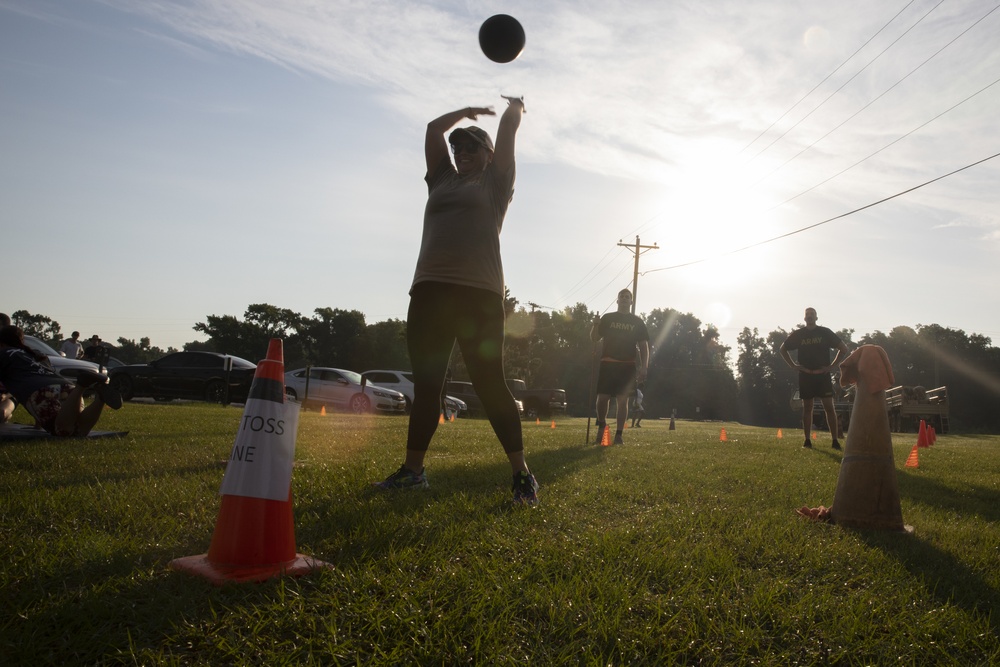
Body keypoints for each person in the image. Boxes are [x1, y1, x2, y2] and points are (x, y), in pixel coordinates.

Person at [375, 95, 538, 504]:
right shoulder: (442, 179)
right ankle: (413, 472)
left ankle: (522, 476)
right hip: (429, 288)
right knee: (428, 384)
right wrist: (464, 115)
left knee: (489, 382)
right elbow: (433, 130)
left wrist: (515, 108)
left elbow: (508, 131)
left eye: (472, 146)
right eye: (458, 146)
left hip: (478, 293)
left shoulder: (495, 184)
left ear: (489, 156)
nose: (462, 151)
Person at [0, 325, 121, 436]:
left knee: (62, 431)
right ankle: (99, 398)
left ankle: (82, 385)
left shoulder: (4, 354)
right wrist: (37, 424)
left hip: (40, 392)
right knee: (79, 431)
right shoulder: (36, 354)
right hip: (66, 386)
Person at [780, 307, 850, 449]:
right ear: (804, 318)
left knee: (829, 408)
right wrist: (793, 365)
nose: (810, 316)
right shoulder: (799, 334)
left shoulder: (825, 332)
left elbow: (844, 349)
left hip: (822, 376)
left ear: (816, 318)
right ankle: (807, 441)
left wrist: (831, 366)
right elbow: (782, 349)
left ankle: (835, 441)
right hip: (806, 375)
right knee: (807, 408)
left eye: (812, 314)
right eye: (807, 314)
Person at [591, 288, 650, 445]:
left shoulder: (637, 322)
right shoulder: (608, 318)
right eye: (621, 296)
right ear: (617, 301)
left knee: (623, 401)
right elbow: (594, 338)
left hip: (627, 365)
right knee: (602, 398)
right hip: (608, 363)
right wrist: (595, 325)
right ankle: (602, 425)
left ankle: (618, 434)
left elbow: (644, 346)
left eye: (627, 297)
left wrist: (644, 367)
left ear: (631, 301)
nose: (624, 299)